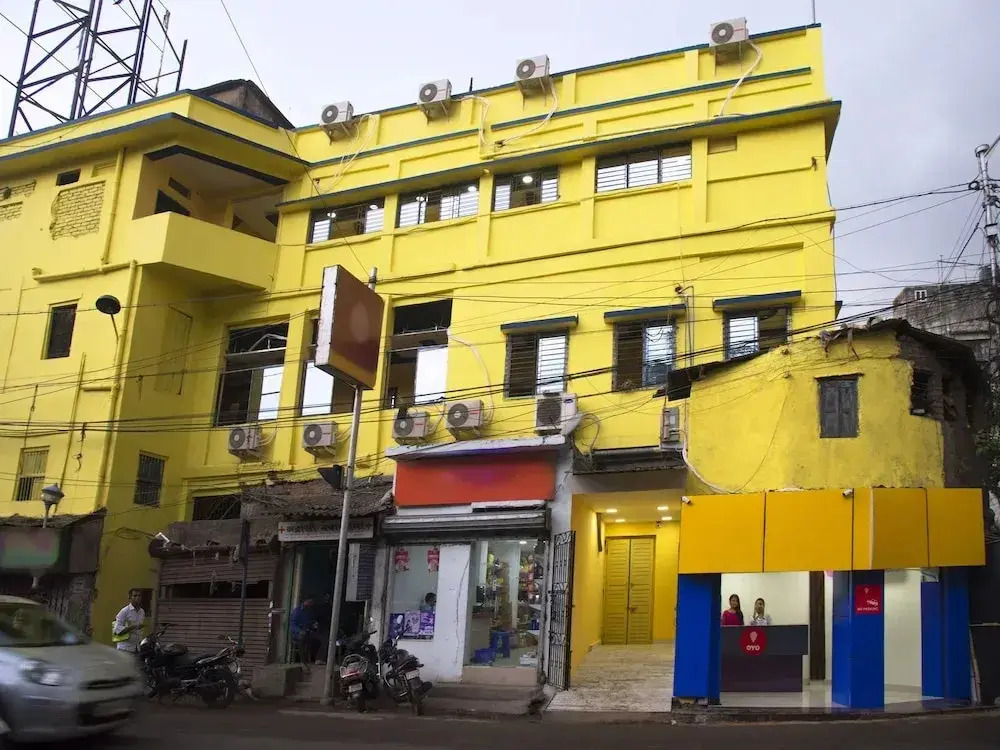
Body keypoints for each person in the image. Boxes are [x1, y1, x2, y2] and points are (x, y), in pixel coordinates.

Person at [112, 589, 146, 654]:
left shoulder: (142, 612)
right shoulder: (124, 611)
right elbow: (117, 630)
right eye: (135, 596)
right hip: (125, 648)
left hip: (137, 648)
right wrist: (132, 627)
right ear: (130, 597)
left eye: (139, 596)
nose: (137, 598)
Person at [290, 598, 320, 664]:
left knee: (317, 640)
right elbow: (292, 625)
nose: (311, 604)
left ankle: (314, 659)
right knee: (301, 639)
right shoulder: (297, 611)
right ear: (304, 601)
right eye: (309, 602)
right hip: (296, 633)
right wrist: (299, 631)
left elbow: (310, 623)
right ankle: (303, 661)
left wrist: (313, 625)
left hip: (306, 632)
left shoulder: (309, 612)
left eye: (311, 602)